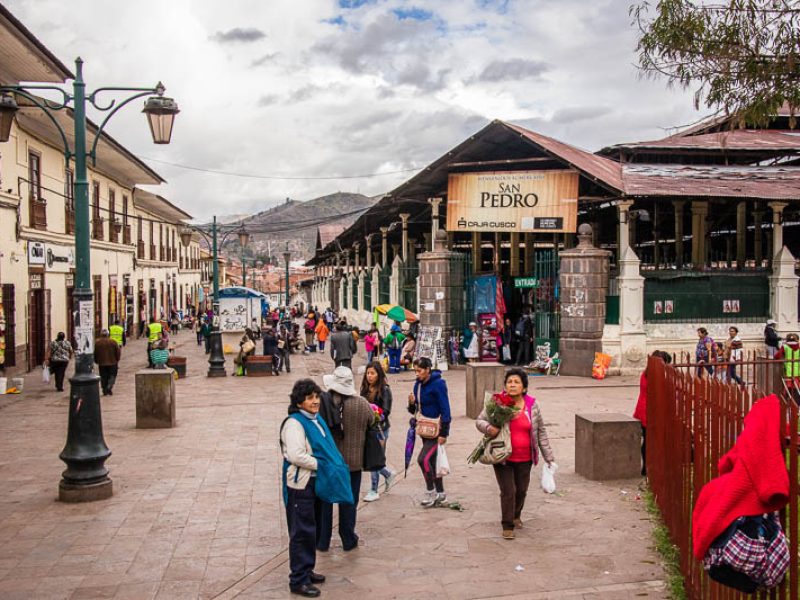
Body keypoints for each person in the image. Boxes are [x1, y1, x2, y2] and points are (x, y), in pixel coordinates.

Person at [476, 368, 555, 539]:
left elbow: (540, 431)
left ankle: (516, 514)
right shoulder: (498, 403)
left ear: (524, 388)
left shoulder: (532, 405)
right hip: (502, 455)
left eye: (516, 382)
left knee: (521, 491)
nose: (512, 385)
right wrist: (490, 428)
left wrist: (549, 457)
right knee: (508, 491)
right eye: (509, 382)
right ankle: (507, 525)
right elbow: (480, 420)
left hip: (525, 457)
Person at [280, 379, 335, 597]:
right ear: (299, 401)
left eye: (316, 397)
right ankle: (298, 579)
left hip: (315, 481)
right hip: (301, 483)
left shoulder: (314, 419)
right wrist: (321, 463)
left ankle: (307, 569)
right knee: (301, 531)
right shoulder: (294, 423)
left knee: (312, 529)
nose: (315, 402)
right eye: (310, 398)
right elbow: (296, 455)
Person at [317, 367, 373, 552]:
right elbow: (371, 421)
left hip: (330, 462)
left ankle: (322, 540)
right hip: (353, 463)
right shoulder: (361, 403)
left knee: (325, 501)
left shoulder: (323, 404)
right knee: (349, 501)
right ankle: (348, 538)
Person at [407, 357, 452, 507]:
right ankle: (441, 494)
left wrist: (444, 433)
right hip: (424, 429)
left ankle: (430, 491)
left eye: (419, 371)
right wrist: (411, 404)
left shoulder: (439, 384)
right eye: (415, 371)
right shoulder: (417, 385)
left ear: (427, 370)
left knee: (423, 459)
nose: (417, 374)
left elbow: (445, 409)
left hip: (436, 429)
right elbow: (415, 410)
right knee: (432, 461)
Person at [633, 351, 672, 478]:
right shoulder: (657, 375)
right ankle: (649, 466)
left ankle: (646, 467)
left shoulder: (646, 373)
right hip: (650, 412)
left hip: (643, 411)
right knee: (652, 441)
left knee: (647, 440)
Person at [360, 362, 395, 502]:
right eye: (368, 373)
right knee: (372, 458)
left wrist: (375, 413)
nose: (369, 376)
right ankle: (387, 474)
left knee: (375, 458)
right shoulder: (365, 389)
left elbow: (386, 411)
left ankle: (374, 489)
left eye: (372, 373)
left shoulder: (385, 390)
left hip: (380, 429)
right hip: (368, 428)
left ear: (379, 374)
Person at [94, 329, 121, 396]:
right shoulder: (113, 342)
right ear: (108, 334)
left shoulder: (97, 342)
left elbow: (95, 353)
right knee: (112, 375)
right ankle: (109, 386)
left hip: (102, 363)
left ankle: (104, 389)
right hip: (112, 362)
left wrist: (96, 360)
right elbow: (118, 352)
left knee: (103, 376)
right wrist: (117, 359)